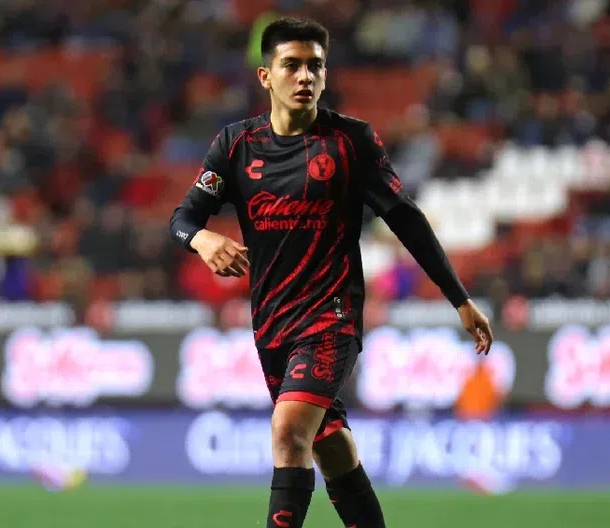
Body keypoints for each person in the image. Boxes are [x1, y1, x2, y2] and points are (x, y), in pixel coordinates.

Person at [169, 16, 493, 528]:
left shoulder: (350, 141)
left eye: (315, 66)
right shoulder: (235, 145)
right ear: (265, 76)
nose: (305, 76)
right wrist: (202, 238)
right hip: (272, 323)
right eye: (291, 65)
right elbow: (183, 218)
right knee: (330, 446)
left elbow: (406, 219)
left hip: (331, 318)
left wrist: (459, 298)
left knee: (288, 431)